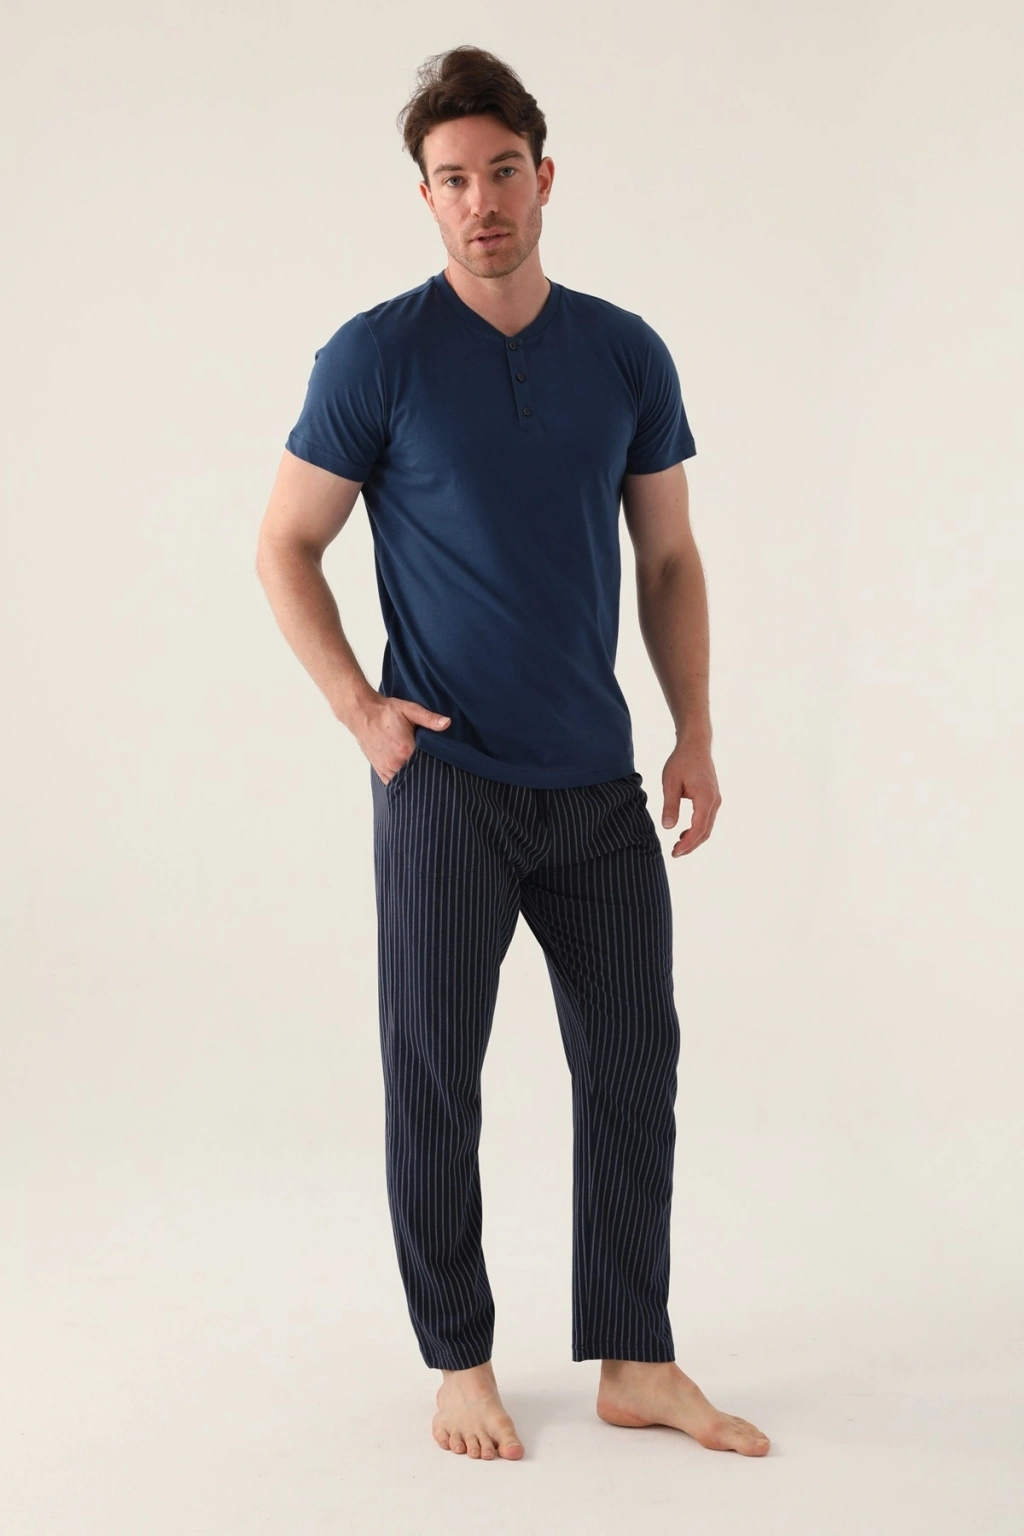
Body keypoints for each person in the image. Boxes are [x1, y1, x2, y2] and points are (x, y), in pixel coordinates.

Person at [256, 44, 770, 1464]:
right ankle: (459, 1362)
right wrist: (362, 710)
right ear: (423, 198)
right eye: (451, 180)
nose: (479, 201)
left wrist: (695, 731)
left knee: (635, 1067)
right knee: (435, 1074)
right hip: (447, 784)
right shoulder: (375, 356)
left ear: (544, 179)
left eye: (500, 172)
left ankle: (636, 1358)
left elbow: (669, 559)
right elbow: (286, 543)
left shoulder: (623, 351)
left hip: (597, 784)